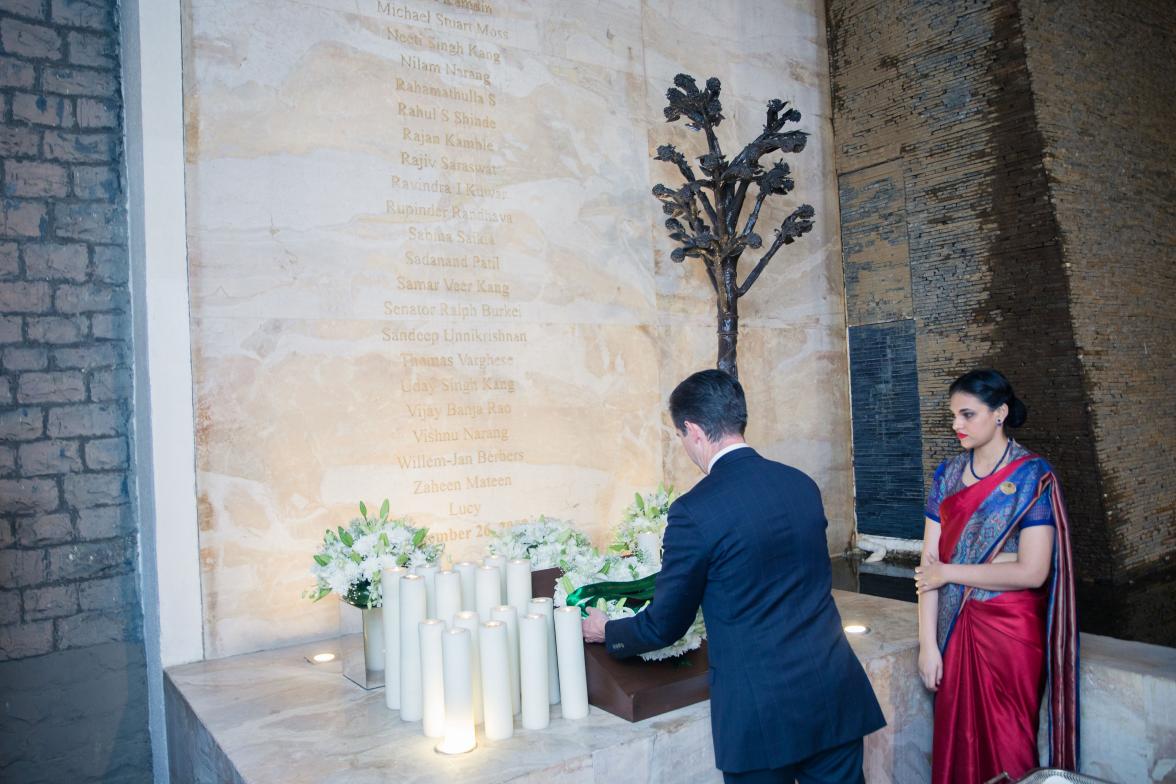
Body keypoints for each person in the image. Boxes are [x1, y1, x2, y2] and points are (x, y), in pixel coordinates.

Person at [582, 369, 885, 784]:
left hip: (761, 712)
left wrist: (608, 630)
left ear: (692, 430)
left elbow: (667, 624)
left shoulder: (694, 511)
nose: (684, 445)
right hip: (832, 689)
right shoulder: (800, 484)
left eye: (679, 436)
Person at [915, 369, 1078, 783]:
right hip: (954, 632)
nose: (957, 425)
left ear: (1000, 412)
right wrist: (927, 646)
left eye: (968, 415)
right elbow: (926, 566)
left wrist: (951, 571)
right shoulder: (947, 476)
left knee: (1011, 747)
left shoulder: (1031, 476)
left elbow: (1032, 571)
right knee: (957, 745)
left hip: (1011, 636)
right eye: (954, 415)